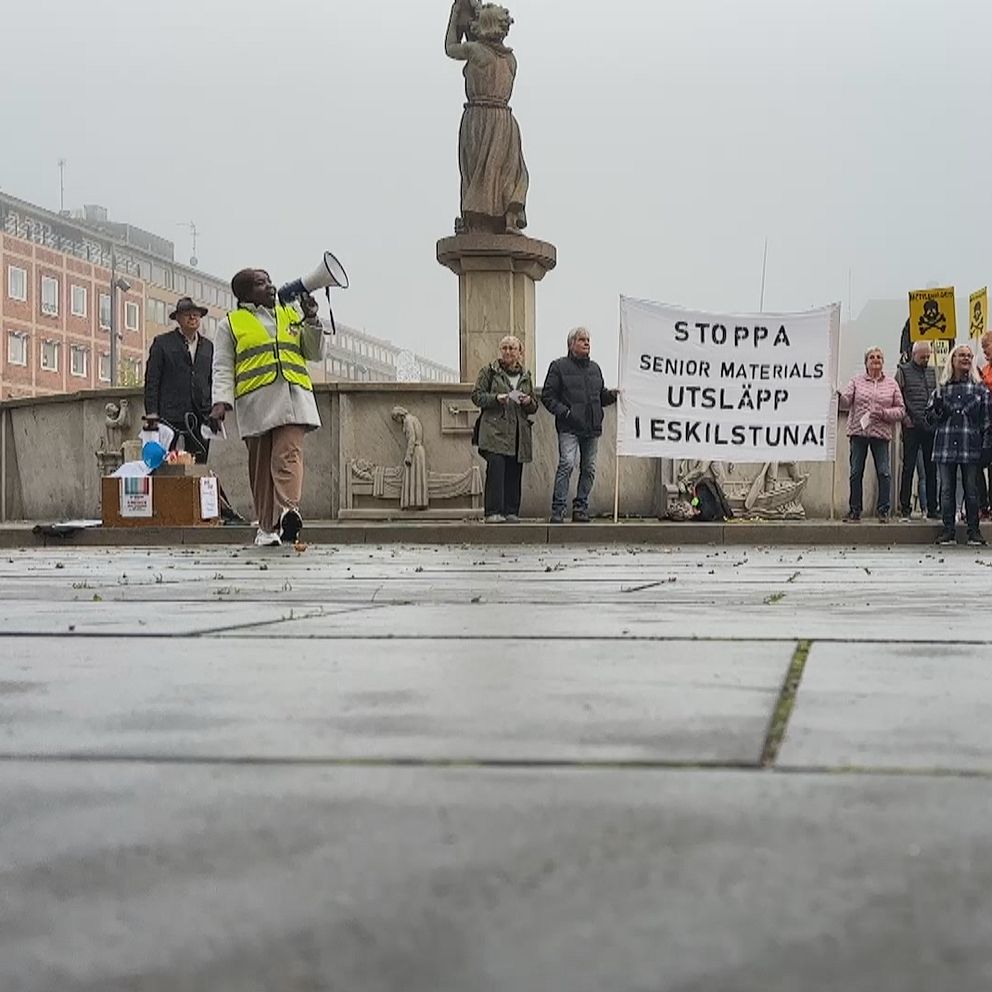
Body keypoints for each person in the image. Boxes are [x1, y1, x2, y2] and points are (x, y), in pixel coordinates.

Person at [210, 269, 326, 547]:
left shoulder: (291, 313)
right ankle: (266, 527)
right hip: (256, 402)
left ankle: (289, 510)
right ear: (245, 294)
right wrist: (220, 402)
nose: (271, 287)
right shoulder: (231, 324)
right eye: (261, 283)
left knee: (288, 453)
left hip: (293, 397)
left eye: (270, 281)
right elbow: (222, 366)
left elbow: (315, 353)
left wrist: (311, 319)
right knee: (261, 467)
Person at [444, 0, 529, 234]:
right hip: (505, 121)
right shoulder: (510, 60)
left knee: (477, 171)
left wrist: (455, 15)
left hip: (479, 118)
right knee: (505, 172)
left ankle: (475, 221)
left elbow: (450, 48)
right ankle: (509, 219)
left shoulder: (474, 51)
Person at [541, 327, 618, 523]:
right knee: (566, 464)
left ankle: (580, 507)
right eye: (582, 340)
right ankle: (558, 509)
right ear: (571, 344)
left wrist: (612, 395)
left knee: (589, 468)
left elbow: (600, 397)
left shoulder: (595, 369)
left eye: (588, 340)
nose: (587, 343)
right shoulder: (558, 366)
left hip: (591, 428)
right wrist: (566, 413)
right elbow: (548, 397)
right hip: (569, 427)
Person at [926, 343, 991, 546]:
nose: (966, 358)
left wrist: (987, 446)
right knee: (947, 490)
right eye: (961, 355)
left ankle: (974, 531)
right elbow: (930, 420)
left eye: (969, 356)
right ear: (952, 360)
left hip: (970, 446)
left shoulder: (980, 389)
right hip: (946, 445)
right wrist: (937, 409)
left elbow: (987, 421)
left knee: (972, 490)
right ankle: (948, 530)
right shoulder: (941, 389)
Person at [471, 334, 537, 522]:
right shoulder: (489, 372)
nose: (508, 352)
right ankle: (493, 512)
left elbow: (534, 407)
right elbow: (476, 396)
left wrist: (528, 401)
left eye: (512, 348)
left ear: (520, 352)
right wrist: (495, 398)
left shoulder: (525, 376)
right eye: (504, 348)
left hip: (518, 433)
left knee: (514, 471)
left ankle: (511, 511)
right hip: (494, 431)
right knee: (496, 470)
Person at [839, 347, 905, 522]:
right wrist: (837, 396)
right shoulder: (856, 381)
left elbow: (901, 410)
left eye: (879, 357)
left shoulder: (891, 384)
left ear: (883, 362)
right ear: (866, 362)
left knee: (884, 472)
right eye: (872, 357)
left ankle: (883, 510)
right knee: (856, 472)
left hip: (880, 434)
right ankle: (855, 510)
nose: (876, 360)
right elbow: (846, 402)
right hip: (858, 432)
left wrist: (884, 413)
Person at [143, 297, 213, 463]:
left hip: (200, 416)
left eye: (196, 314)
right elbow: (152, 381)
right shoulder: (162, 343)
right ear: (178, 319)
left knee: (199, 463)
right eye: (188, 314)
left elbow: (213, 379)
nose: (193, 318)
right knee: (165, 463)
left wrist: (212, 409)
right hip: (169, 416)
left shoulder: (208, 346)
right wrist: (152, 415)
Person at [895, 340, 938, 520]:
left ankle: (933, 507)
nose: (926, 360)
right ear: (914, 355)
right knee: (909, 467)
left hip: (929, 426)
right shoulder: (903, 371)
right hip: (911, 426)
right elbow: (897, 396)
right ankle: (905, 506)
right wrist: (905, 418)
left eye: (928, 357)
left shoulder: (932, 372)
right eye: (923, 357)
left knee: (931, 468)